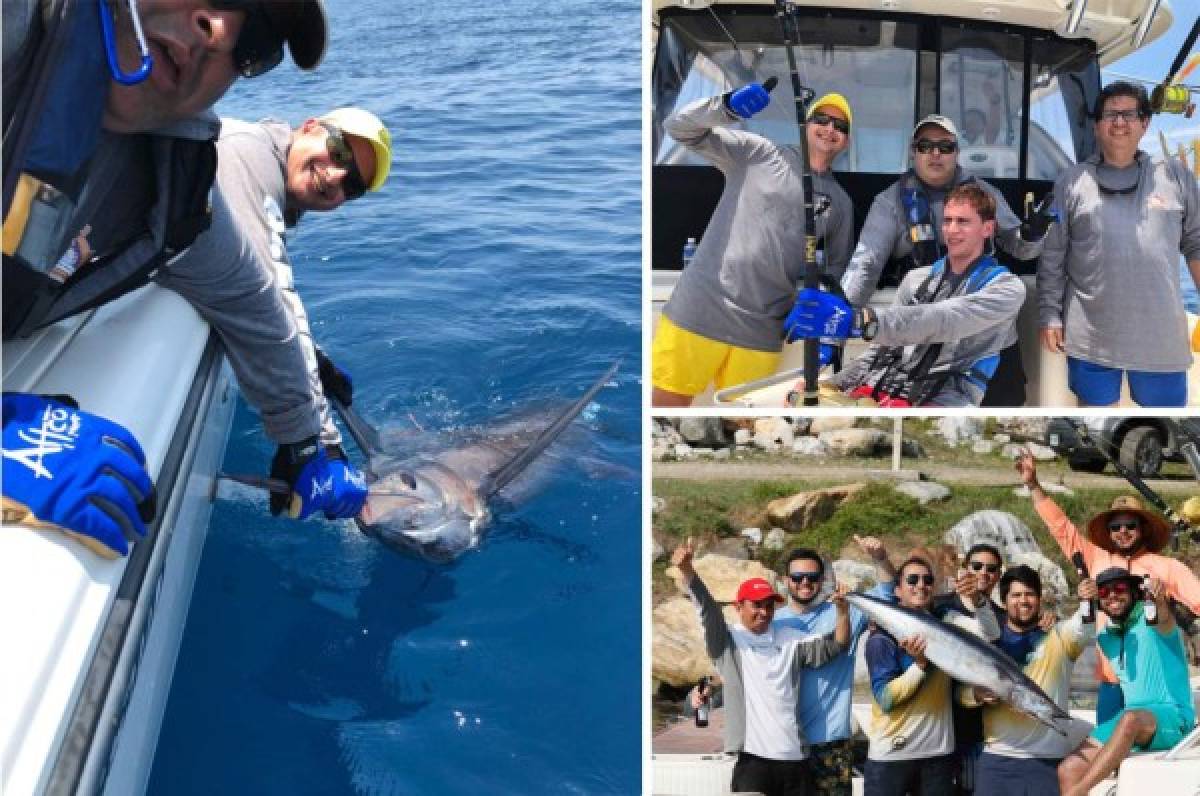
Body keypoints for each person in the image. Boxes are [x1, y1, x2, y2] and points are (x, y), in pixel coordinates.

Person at [2, 0, 327, 555]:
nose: (222, 27)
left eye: (255, 43)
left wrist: (306, 442)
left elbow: (249, 298)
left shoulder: (174, 188)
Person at [156, 108, 393, 520]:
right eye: (339, 153)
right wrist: (313, 445)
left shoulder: (266, 165)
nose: (336, 178)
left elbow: (271, 286)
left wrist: (312, 363)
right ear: (310, 127)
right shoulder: (249, 157)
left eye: (352, 186)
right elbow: (257, 294)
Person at [651, 83, 855, 406]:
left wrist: (828, 331)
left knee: (743, 427)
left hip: (763, 329)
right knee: (662, 416)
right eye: (822, 119)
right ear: (806, 123)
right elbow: (678, 128)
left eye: (840, 126)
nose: (830, 129)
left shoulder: (841, 203)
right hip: (699, 309)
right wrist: (726, 106)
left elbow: (838, 273)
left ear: (846, 140)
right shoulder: (758, 152)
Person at [784, 181, 1025, 407]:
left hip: (946, 399)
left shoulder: (1007, 289)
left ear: (987, 228)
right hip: (881, 390)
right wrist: (824, 385)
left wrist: (860, 321)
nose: (952, 230)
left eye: (963, 221)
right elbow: (879, 352)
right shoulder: (915, 280)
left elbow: (943, 320)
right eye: (947, 220)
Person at [1037, 81, 1200, 408]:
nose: (1120, 122)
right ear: (1096, 125)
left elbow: (1195, 243)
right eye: (1110, 114)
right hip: (1091, 336)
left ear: (1145, 123)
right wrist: (1049, 316)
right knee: (1094, 417)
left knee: (1164, 424)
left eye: (1129, 114)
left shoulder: (1177, 175)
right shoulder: (1070, 181)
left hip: (1161, 339)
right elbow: (1052, 256)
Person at [1015, 451, 1200, 724]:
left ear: (1143, 529)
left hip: (1154, 684)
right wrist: (1033, 485)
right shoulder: (1094, 559)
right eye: (1115, 527)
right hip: (1111, 683)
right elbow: (1061, 528)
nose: (1122, 532)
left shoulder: (1168, 566)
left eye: (1130, 525)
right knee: (1106, 751)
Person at [673, 537, 851, 796]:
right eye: (756, 605)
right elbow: (708, 611)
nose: (764, 612)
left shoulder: (792, 638)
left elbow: (836, 646)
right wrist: (688, 570)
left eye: (769, 605)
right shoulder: (727, 640)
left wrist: (843, 612)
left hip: (796, 760)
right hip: (753, 761)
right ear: (738, 607)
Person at [839, 114, 1045, 310]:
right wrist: (839, 320)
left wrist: (1031, 235)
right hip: (919, 310)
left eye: (945, 147)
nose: (935, 153)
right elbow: (865, 264)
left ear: (957, 153)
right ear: (913, 152)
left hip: (975, 306)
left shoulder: (986, 193)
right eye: (925, 146)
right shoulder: (888, 201)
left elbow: (1023, 250)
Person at [863, 555, 1000, 796]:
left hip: (939, 758)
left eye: (927, 580)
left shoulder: (947, 623)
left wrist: (974, 695)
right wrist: (920, 666)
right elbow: (885, 699)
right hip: (891, 758)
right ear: (897, 590)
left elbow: (990, 633)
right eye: (912, 580)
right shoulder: (881, 639)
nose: (921, 585)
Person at [772, 537, 896, 795]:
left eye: (812, 576)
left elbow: (887, 592)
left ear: (821, 579)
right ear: (786, 581)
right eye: (797, 577)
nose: (805, 582)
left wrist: (880, 558)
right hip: (784, 741)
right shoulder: (772, 623)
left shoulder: (845, 611)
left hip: (831, 742)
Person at [1057, 568, 1196, 796]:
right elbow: (1078, 630)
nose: (1112, 595)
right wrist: (1083, 598)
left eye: (1120, 588)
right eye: (1104, 592)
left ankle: (1079, 792)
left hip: (1173, 717)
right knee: (1068, 769)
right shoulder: (1105, 637)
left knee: (1130, 718)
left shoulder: (1151, 619)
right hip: (1131, 721)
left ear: (1134, 592)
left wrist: (1159, 600)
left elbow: (1163, 617)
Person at [963, 566, 1094, 796]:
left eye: (1030, 594)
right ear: (1003, 601)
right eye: (1016, 595)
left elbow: (1085, 627)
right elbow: (960, 693)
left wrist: (1087, 600)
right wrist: (976, 695)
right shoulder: (989, 640)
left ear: (1040, 599)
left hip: (1048, 762)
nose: (1023, 601)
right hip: (996, 760)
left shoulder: (1060, 636)